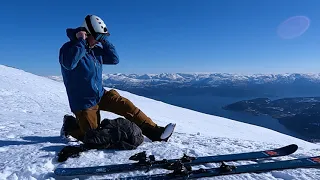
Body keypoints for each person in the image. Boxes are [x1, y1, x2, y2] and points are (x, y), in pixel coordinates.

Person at [58, 14, 175, 142]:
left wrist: (104, 40)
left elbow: (114, 59)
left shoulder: (94, 50)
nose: (99, 40)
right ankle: (70, 125)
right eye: (98, 36)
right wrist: (80, 41)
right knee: (93, 138)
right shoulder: (69, 48)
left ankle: (156, 133)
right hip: (84, 102)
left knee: (127, 106)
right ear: (85, 33)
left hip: (100, 95)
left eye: (102, 37)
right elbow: (69, 63)